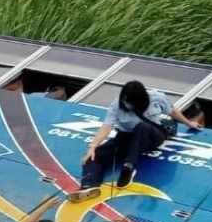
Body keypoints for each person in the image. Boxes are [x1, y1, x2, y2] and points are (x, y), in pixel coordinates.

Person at [69, 80, 202, 202]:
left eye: (130, 102)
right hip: (126, 138)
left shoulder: (156, 98)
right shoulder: (116, 105)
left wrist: (189, 123)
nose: (126, 104)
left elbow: (172, 112)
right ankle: (89, 187)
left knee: (141, 127)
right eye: (125, 100)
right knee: (94, 156)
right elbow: (106, 127)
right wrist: (92, 147)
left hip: (152, 135)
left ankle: (129, 166)